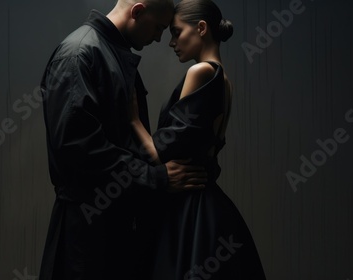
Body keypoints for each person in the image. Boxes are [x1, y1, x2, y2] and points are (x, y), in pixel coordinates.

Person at [38, 0, 208, 279]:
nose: (158, 38)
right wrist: (156, 178)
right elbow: (77, 147)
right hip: (86, 238)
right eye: (158, 28)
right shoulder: (80, 54)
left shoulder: (109, 53)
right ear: (137, 11)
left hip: (115, 229)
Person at [130, 0, 267, 279]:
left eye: (176, 32)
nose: (171, 42)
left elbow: (161, 150)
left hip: (188, 207)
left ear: (201, 28)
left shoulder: (201, 72)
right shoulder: (224, 79)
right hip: (209, 206)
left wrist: (132, 119)